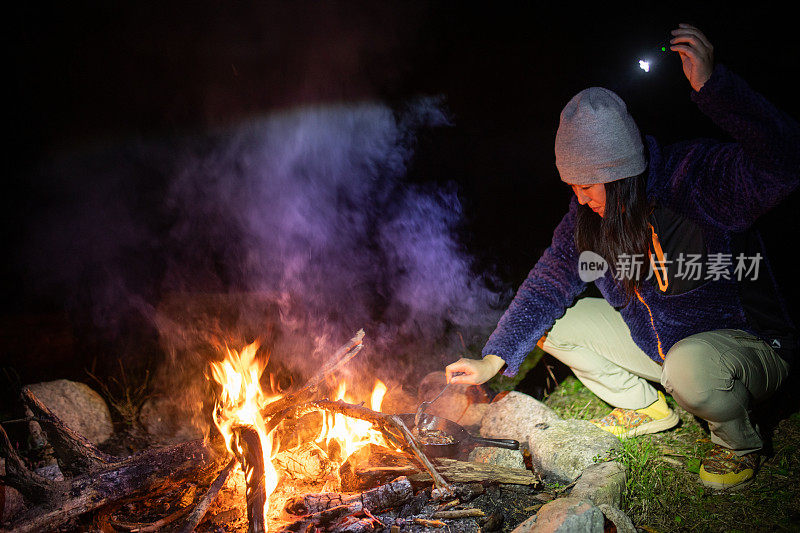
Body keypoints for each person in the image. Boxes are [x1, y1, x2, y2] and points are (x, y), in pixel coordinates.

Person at [446, 24, 799, 490]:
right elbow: (548, 282)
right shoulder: (586, 218)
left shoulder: (693, 180)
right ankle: (643, 406)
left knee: (690, 366)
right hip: (665, 351)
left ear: (620, 173)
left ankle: (737, 441)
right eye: (571, 186)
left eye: (587, 186)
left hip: (744, 347)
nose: (580, 198)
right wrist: (495, 357)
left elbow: (784, 161)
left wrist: (717, 91)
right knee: (552, 325)